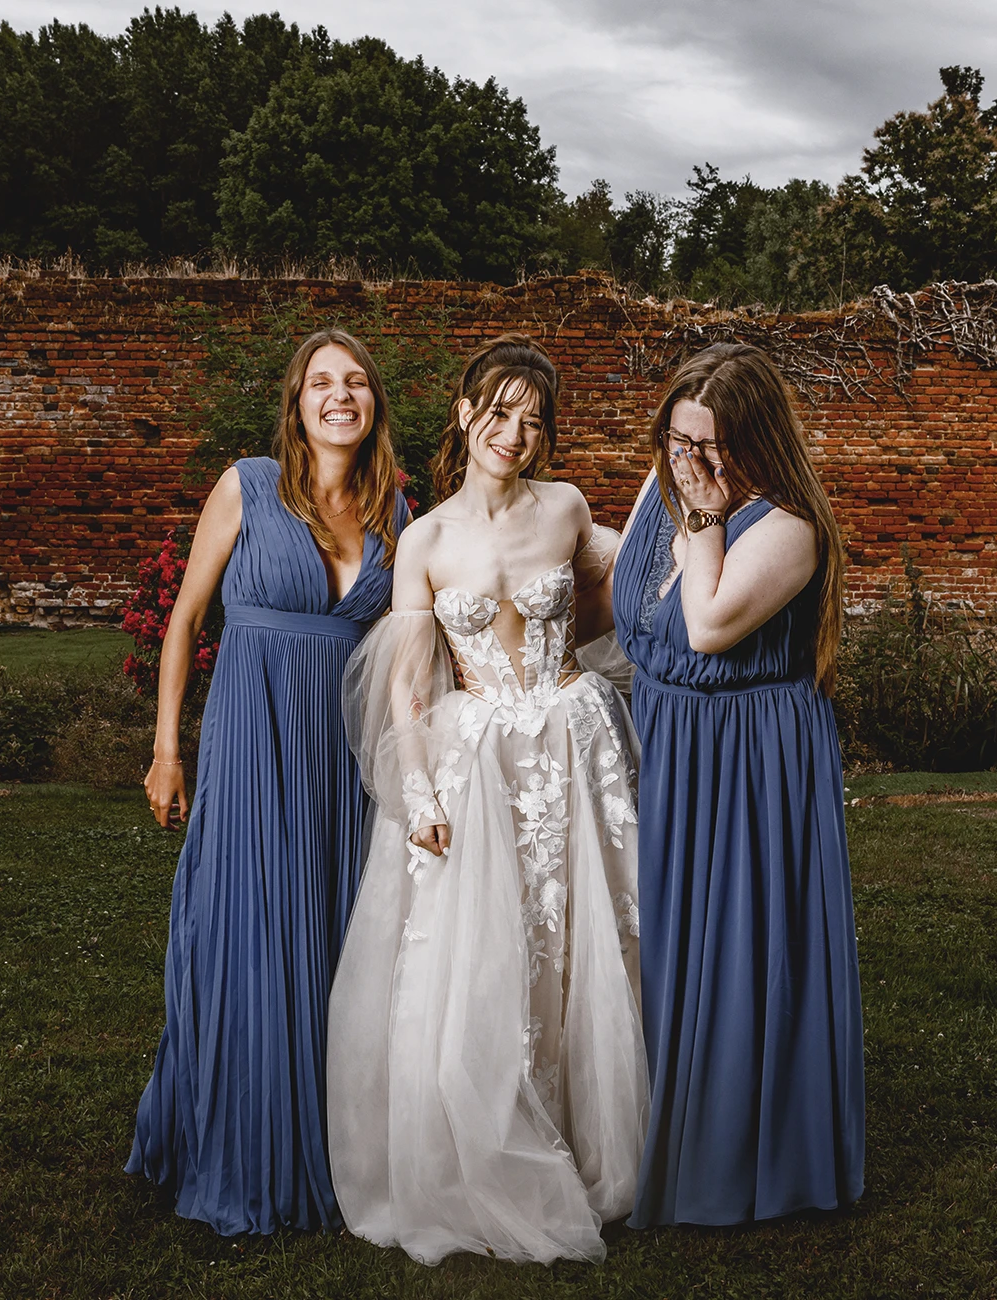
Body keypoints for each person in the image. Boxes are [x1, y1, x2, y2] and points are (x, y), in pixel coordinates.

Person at [327, 334, 647, 1265]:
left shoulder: (567, 508)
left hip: (569, 743)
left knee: (584, 940)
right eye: (500, 413)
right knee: (486, 947)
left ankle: (590, 1143)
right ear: (466, 414)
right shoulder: (422, 539)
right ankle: (489, 1146)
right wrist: (417, 784)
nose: (516, 433)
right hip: (477, 761)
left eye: (534, 419)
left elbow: (610, 597)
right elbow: (409, 683)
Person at [127, 329, 410, 1236]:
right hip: (253, 747)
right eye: (322, 382)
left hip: (345, 761)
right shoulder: (247, 485)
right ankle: (243, 1151)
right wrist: (170, 750)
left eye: (356, 383)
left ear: (373, 405)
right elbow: (185, 623)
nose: (340, 396)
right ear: (297, 402)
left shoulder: (399, 512)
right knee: (251, 931)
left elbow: (416, 651)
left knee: (337, 943)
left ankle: (336, 1152)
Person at [610, 343, 865, 1227]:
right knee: (667, 940)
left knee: (740, 944)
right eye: (680, 441)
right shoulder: (665, 485)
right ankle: (652, 1123)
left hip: (750, 754)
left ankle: (739, 1154)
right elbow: (631, 601)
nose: (692, 462)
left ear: (756, 439)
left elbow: (710, 625)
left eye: (712, 445)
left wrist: (709, 515)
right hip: (672, 740)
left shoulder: (786, 525)